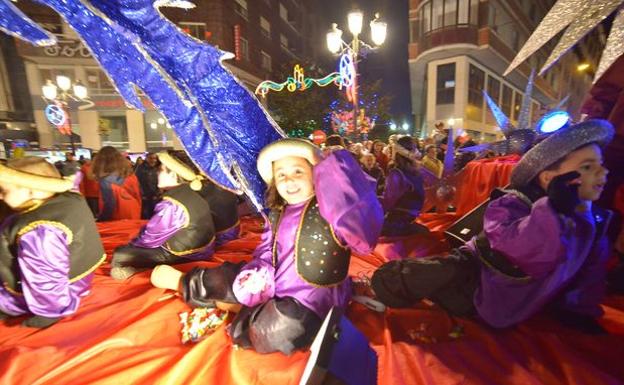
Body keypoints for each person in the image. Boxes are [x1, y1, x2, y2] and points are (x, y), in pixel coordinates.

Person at [371, 120, 615, 333]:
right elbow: (523, 251)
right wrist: (552, 209)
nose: (602, 172)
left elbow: (588, 273)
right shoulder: (512, 204)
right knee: (434, 273)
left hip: (514, 301)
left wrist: (579, 310)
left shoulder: (593, 223)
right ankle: (385, 283)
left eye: (601, 164)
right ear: (548, 178)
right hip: (478, 280)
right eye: (587, 167)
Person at [150, 138, 383, 354]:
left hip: (310, 301)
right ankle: (183, 283)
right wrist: (258, 271)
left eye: (298, 171)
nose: (289, 180)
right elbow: (266, 249)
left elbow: (363, 230)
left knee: (274, 331)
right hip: (273, 282)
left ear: (316, 175)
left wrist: (336, 169)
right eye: (280, 175)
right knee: (225, 277)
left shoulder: (332, 209)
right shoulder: (277, 213)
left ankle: (235, 307)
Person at [0, 157, 105, 328]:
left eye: (4, 190)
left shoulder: (40, 231)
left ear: (31, 191)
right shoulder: (68, 200)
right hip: (74, 282)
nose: (0, 196)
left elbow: (46, 280)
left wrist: (48, 313)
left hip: (42, 294)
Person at [110, 152, 218, 280]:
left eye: (160, 170)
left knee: (120, 254)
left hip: (184, 255)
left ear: (172, 174)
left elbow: (149, 239)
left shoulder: (172, 203)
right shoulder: (190, 192)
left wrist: (131, 246)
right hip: (203, 249)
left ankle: (139, 270)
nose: (157, 174)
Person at [380, 136, 428, 237]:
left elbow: (388, 201)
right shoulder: (417, 172)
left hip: (397, 224)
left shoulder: (397, 173)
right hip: (411, 220)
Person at [92, 146, 142, 221]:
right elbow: (138, 195)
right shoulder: (131, 175)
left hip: (117, 219)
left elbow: (109, 205)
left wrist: (100, 220)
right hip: (134, 214)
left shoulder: (106, 180)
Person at [135, 152, 160, 219]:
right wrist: (142, 194)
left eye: (155, 158)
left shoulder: (154, 168)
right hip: (145, 197)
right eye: (151, 158)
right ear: (146, 158)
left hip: (153, 196)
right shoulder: (141, 169)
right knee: (147, 215)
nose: (154, 160)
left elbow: (155, 182)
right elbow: (138, 182)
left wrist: (156, 193)